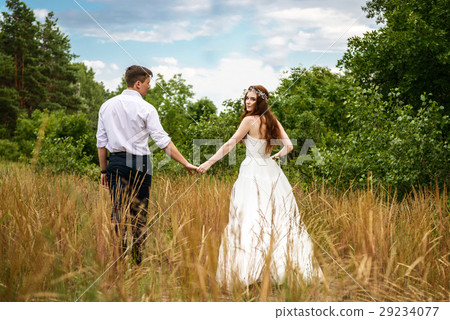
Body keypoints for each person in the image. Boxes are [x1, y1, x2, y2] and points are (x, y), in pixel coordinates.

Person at [197, 85, 323, 286]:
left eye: (252, 99)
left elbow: (230, 143)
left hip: (252, 172)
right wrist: (275, 156)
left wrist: (208, 163)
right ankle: (283, 270)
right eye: (246, 98)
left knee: (249, 217)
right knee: (276, 219)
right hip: (272, 172)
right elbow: (289, 146)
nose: (248, 102)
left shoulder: (249, 120)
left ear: (260, 101)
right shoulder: (272, 120)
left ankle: (249, 271)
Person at [96, 65, 197, 264]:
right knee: (139, 214)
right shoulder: (146, 108)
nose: (149, 87)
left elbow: (101, 143)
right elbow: (162, 141)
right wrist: (185, 163)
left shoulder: (107, 106)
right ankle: (137, 260)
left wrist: (103, 170)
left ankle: (120, 260)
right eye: (148, 83)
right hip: (140, 164)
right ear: (138, 83)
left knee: (119, 211)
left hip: (116, 163)